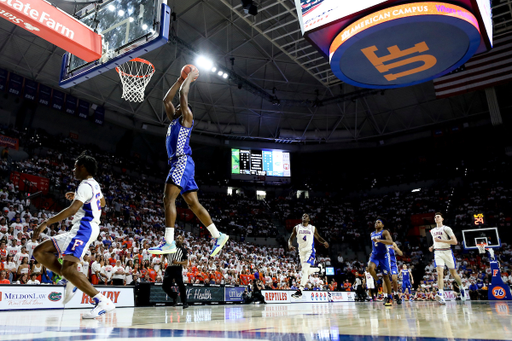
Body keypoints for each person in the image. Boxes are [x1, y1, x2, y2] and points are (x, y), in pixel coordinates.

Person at [149, 66, 228, 257]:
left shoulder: (187, 119)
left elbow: (183, 97)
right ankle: (218, 235)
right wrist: (179, 79)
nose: (176, 107)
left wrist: (189, 78)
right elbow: (166, 100)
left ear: (186, 111)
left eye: (180, 107)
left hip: (181, 162)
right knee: (193, 204)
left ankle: (168, 242)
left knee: (168, 198)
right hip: (183, 164)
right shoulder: (173, 120)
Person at [32, 152, 115, 318]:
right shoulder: (94, 184)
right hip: (79, 229)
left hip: (84, 228)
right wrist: (80, 198)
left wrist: (45, 223)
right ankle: (71, 280)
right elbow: (102, 202)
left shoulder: (85, 185)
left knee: (69, 270)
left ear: (83, 167)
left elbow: (72, 210)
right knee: (39, 252)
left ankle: (102, 300)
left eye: (75, 166)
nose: (73, 169)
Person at [288, 213, 329, 299]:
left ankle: (300, 291)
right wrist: (289, 245)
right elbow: (290, 238)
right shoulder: (297, 228)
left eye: (306, 216)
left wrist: (324, 242)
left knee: (304, 270)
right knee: (305, 272)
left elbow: (318, 237)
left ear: (309, 219)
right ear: (301, 218)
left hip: (310, 251)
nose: (304, 216)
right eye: (303, 215)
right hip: (301, 252)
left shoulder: (312, 228)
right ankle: (319, 269)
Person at [428, 212, 466, 304]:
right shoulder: (432, 231)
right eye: (435, 217)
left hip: (448, 252)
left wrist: (441, 240)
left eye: (438, 217)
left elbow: (455, 241)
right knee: (439, 274)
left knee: (453, 274)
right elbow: (436, 241)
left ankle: (461, 287)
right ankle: (441, 294)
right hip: (438, 252)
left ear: (442, 219)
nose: (436, 218)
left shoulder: (447, 228)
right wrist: (433, 246)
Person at [367, 218, 394, 306]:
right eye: (375, 222)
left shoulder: (384, 232)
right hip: (375, 255)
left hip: (383, 256)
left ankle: (389, 297)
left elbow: (390, 242)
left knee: (386, 276)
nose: (376, 223)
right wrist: (372, 252)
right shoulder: (372, 233)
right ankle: (378, 282)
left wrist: (379, 240)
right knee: (370, 268)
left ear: (382, 225)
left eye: (379, 222)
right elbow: (374, 245)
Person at [162, 234, 189, 308]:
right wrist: (162, 262)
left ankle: (185, 302)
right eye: (177, 238)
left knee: (181, 285)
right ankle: (174, 295)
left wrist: (177, 262)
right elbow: (164, 254)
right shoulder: (170, 247)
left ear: (182, 240)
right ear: (175, 240)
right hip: (169, 268)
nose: (179, 239)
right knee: (164, 286)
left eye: (180, 238)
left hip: (177, 268)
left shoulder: (184, 250)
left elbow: (185, 262)